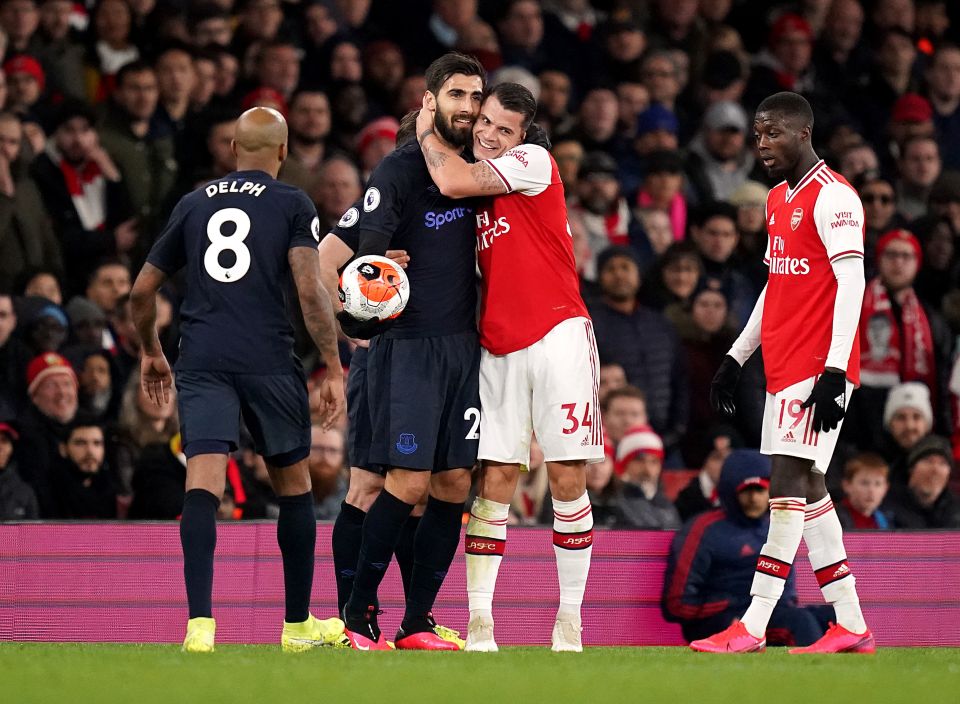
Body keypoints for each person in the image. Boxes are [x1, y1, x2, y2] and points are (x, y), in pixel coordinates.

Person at [128, 106, 347, 654]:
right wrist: (333, 366)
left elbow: (138, 292)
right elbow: (308, 289)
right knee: (293, 487)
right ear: (282, 151)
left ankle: (199, 624)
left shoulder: (193, 202)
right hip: (268, 359)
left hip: (201, 357)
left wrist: (150, 351)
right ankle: (297, 626)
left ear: (232, 150)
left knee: (202, 482)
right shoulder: (293, 202)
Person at [415, 80, 603, 652]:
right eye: (486, 123)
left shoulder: (532, 161)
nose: (491, 135)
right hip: (498, 344)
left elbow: (449, 176)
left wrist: (426, 124)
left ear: (523, 136)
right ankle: (480, 622)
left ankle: (569, 618)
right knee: (494, 479)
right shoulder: (476, 200)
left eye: (504, 128)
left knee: (567, 476)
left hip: (559, 333)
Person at [697, 92, 874, 654]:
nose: (762, 144)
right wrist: (736, 356)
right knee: (812, 490)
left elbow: (853, 284)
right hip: (783, 363)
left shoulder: (835, 197)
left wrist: (834, 368)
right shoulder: (777, 200)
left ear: (803, 133)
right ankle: (850, 622)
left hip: (817, 368)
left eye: (772, 132)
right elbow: (779, 284)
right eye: (757, 133)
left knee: (787, 486)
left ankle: (751, 625)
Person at [336, 52, 485, 652]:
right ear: (430, 101)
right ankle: (354, 616)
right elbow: (362, 255)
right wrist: (371, 280)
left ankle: (417, 622)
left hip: (464, 349)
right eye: (456, 96)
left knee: (453, 483)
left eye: (476, 98)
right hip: (409, 350)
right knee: (406, 482)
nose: (469, 109)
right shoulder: (396, 171)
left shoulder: (478, 169)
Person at [663, 450, 833, 647]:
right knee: (799, 622)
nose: (754, 498)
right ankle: (810, 676)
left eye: (760, 490)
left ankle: (842, 677)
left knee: (833, 618)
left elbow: (787, 593)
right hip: (719, 620)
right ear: (730, 490)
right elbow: (677, 603)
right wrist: (729, 605)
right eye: (746, 490)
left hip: (767, 613)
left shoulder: (778, 526)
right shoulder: (703, 529)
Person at [836, 453, 892, 530]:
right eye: (864, 483)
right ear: (847, 485)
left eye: (878, 484)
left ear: (886, 488)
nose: (871, 490)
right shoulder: (834, 519)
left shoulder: (888, 521)